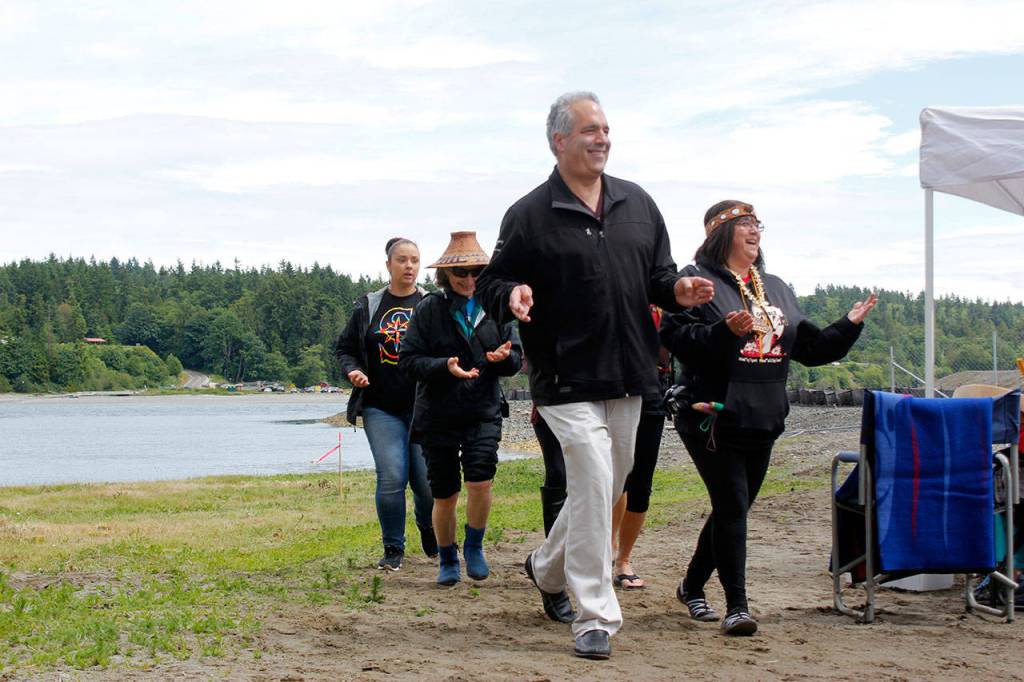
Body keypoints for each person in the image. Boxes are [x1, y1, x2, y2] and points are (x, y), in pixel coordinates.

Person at [475, 91, 714, 660]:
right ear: (559, 140)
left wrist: (678, 290)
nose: (601, 137)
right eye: (588, 129)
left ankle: (545, 565)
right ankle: (595, 614)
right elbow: (491, 284)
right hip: (562, 374)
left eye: (605, 128)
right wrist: (513, 294)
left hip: (631, 371)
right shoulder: (529, 213)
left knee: (606, 486)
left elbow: (659, 276)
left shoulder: (639, 203)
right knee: (591, 477)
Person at [660, 200, 877, 636]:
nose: (754, 231)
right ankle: (737, 607)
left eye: (757, 224)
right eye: (744, 225)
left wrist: (848, 324)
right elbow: (677, 340)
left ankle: (692, 585)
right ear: (720, 235)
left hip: (763, 416)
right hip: (711, 416)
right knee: (733, 505)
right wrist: (725, 331)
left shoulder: (774, 287)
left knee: (731, 508)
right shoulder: (695, 284)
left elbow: (812, 350)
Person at [400, 231, 522, 586]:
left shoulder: (498, 310)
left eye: (476, 273)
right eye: (460, 274)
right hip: (437, 413)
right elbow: (408, 361)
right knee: (445, 493)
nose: (469, 280)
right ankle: (447, 557)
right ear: (445, 277)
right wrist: (443, 366)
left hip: (483, 408)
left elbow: (516, 357)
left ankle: (475, 546)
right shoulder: (429, 309)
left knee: (481, 482)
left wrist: (503, 360)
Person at [334, 237, 436, 572]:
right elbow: (345, 348)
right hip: (381, 407)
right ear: (389, 264)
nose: (409, 266)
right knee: (392, 475)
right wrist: (354, 371)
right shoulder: (369, 305)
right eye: (403, 260)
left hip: (425, 408)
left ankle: (428, 526)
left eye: (415, 260)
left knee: (425, 482)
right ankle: (393, 548)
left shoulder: (432, 304)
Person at [610, 305, 672, 590]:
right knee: (612, 478)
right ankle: (606, 550)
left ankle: (624, 559)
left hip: (651, 391)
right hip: (609, 389)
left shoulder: (663, 301)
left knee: (641, 482)